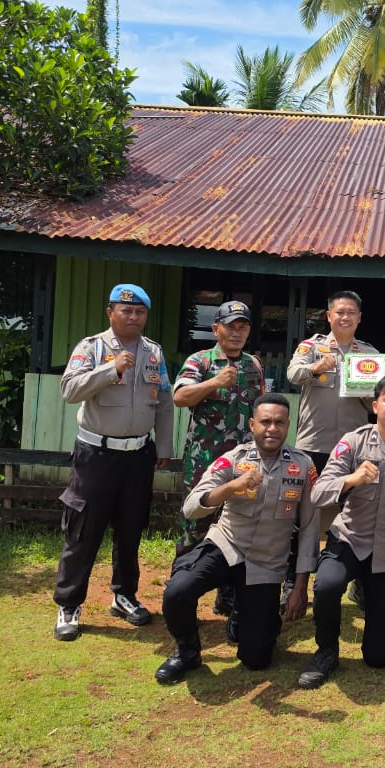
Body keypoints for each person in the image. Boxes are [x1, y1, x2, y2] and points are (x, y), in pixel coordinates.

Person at [154, 394, 318, 684]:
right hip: (226, 546)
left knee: (257, 660)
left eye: (279, 422)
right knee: (178, 591)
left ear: (288, 425)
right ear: (253, 424)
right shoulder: (234, 458)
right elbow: (191, 507)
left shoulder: (303, 466)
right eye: (265, 422)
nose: (272, 428)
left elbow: (309, 528)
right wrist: (231, 486)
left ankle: (244, 612)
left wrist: (300, 586)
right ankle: (187, 651)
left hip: (266, 563)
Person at [296, 374, 385, 689]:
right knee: (327, 585)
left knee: (378, 657)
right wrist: (350, 480)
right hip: (350, 539)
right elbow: (319, 493)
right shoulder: (353, 441)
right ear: (375, 405)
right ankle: (326, 651)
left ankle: (378, 605)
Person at [52, 283, 173, 642]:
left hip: (139, 455)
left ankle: (124, 595)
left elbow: (164, 401)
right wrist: (110, 370)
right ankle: (69, 604)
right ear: (110, 312)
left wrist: (163, 446)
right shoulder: (92, 348)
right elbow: (69, 390)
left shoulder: (154, 353)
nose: (133, 316)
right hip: (97, 455)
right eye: (125, 310)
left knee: (130, 528)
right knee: (83, 529)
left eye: (139, 312)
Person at [172, 300, 265, 550]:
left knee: (237, 529)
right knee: (195, 527)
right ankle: (183, 584)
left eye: (242, 327)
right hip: (204, 461)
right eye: (230, 326)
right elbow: (180, 397)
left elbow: (261, 409)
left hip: (243, 462)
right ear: (216, 330)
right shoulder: (200, 361)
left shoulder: (254, 365)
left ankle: (227, 590)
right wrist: (213, 383)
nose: (236, 333)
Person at [285, 290, 378, 473]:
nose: (345, 318)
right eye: (340, 312)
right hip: (314, 442)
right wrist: (315, 368)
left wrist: (369, 395)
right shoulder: (311, 347)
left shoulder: (370, 355)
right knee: (310, 499)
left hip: (353, 444)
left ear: (359, 318)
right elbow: (292, 374)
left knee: (350, 500)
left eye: (351, 313)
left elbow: (377, 404)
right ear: (329, 316)